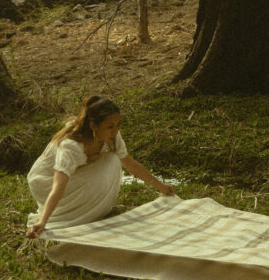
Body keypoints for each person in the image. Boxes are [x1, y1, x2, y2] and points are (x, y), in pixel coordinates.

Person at [26, 96, 174, 238]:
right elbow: (58, 187)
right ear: (93, 126)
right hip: (44, 182)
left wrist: (162, 187)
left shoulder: (112, 137)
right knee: (111, 161)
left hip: (71, 176)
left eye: (118, 125)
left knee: (113, 160)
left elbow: (130, 164)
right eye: (110, 126)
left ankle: (92, 211)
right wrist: (42, 221)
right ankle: (75, 215)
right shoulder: (71, 146)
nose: (115, 131)